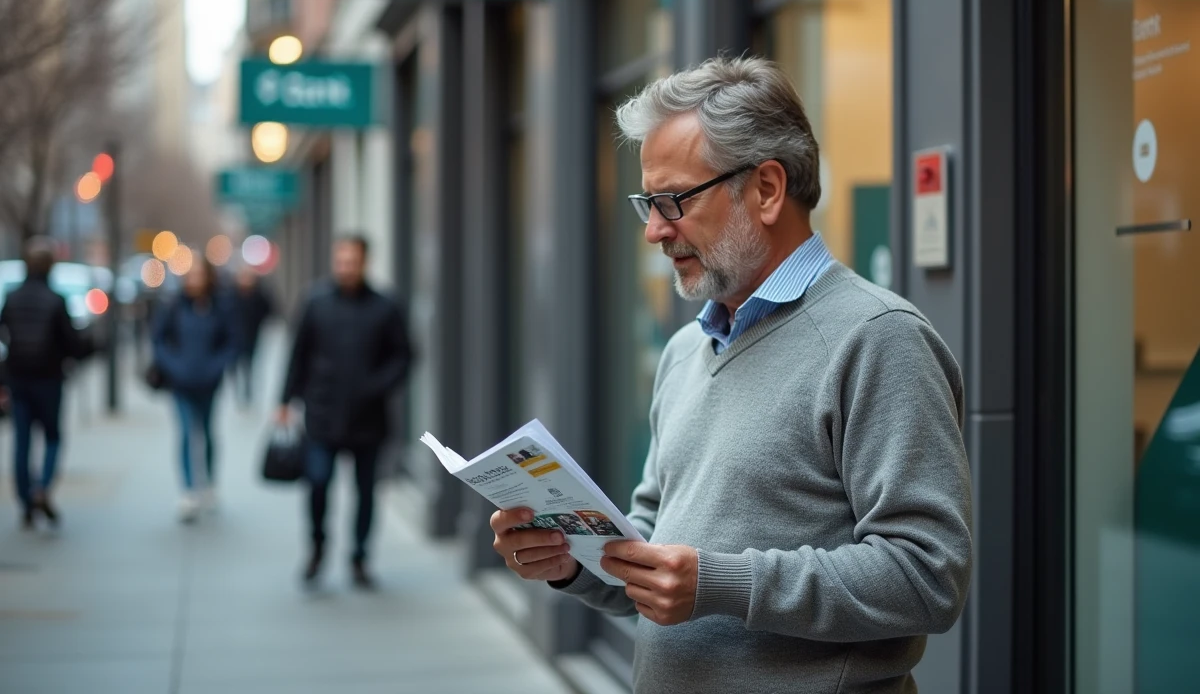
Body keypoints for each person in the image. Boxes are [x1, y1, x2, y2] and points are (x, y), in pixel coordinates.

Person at [489, 57, 973, 693]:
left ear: (767, 190)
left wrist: (720, 583)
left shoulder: (879, 338)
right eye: (648, 203)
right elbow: (658, 556)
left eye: (673, 201)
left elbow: (928, 575)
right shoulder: (686, 350)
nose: (656, 231)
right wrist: (570, 562)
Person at [279, 235, 413, 589]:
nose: (346, 268)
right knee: (318, 483)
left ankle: (359, 557)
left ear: (365, 262)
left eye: (352, 261)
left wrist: (377, 386)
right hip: (322, 413)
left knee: (366, 492)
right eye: (340, 261)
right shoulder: (315, 302)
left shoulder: (385, 306)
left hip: (369, 418)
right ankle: (317, 547)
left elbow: (405, 356)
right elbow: (298, 353)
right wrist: (285, 400)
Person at [0, 237, 90, 529]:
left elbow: (4, 333)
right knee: (52, 436)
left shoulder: (12, 298)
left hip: (19, 377)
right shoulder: (56, 300)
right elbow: (72, 342)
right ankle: (42, 487)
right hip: (48, 379)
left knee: (22, 441)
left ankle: (26, 500)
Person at [151, 256, 238, 523]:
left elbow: (232, 341)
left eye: (200, 275)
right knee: (187, 433)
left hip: (209, 383)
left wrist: (217, 367)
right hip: (181, 382)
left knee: (208, 433)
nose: (195, 280)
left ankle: (209, 483)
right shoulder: (174, 306)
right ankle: (189, 491)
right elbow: (159, 340)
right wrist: (174, 366)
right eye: (192, 275)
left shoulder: (219, 306)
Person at [230, 265, 275, 407]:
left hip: (252, 338)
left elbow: (269, 310)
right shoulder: (232, 296)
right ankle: (239, 393)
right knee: (236, 367)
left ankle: (248, 393)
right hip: (235, 339)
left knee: (250, 367)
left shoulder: (259, 295)